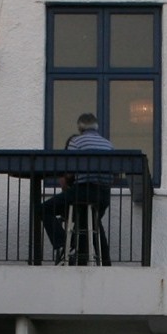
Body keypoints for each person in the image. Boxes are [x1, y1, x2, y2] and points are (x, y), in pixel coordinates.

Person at [40, 112, 113, 265]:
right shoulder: (108, 144)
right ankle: (102, 261)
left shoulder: (76, 142)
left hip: (84, 192)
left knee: (44, 209)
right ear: (96, 126)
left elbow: (69, 170)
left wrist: (64, 180)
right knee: (91, 222)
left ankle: (65, 242)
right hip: (104, 195)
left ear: (80, 127)